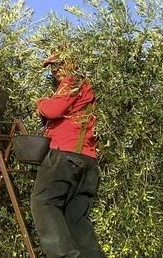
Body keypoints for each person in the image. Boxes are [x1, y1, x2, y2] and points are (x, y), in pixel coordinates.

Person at [30, 49, 105, 258]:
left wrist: (40, 104)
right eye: (52, 67)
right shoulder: (89, 87)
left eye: (58, 65)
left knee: (43, 202)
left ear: (71, 62)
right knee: (76, 218)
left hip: (66, 154)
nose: (55, 71)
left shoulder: (73, 81)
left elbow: (53, 109)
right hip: (88, 160)